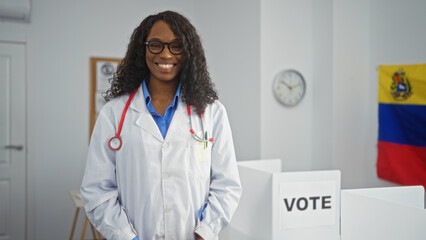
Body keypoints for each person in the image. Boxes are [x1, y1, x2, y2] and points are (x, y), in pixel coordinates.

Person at [80, 10, 242, 240]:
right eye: (156, 45)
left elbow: (227, 186)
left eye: (176, 46)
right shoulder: (114, 114)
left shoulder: (212, 113)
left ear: (187, 52)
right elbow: (97, 191)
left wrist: (205, 232)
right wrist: (127, 237)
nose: (166, 54)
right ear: (143, 49)